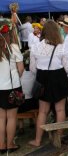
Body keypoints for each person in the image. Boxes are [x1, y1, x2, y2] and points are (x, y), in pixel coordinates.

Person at [28, 20, 68, 147]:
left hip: (43, 78)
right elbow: (67, 69)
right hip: (58, 78)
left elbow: (32, 69)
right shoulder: (61, 47)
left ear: (44, 31)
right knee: (60, 110)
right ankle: (58, 139)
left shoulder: (36, 47)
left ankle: (37, 140)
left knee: (42, 111)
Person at [0, 18, 24, 154]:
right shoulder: (13, 46)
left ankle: (1, 145)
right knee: (11, 117)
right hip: (12, 86)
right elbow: (20, 69)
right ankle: (10, 144)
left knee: (1, 118)